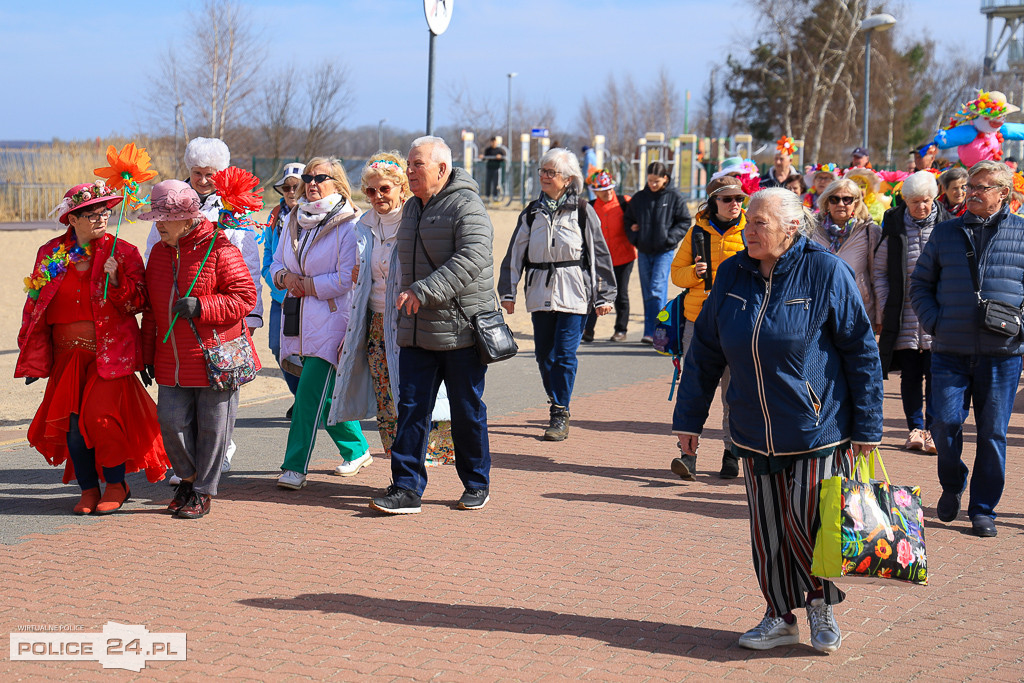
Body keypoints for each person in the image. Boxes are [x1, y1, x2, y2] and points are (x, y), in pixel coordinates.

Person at [674, 187, 883, 654]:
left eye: (759, 224)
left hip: (815, 428)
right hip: (751, 431)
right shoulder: (732, 273)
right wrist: (689, 419)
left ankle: (819, 605)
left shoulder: (826, 271)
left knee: (808, 523)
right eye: (747, 223)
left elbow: (861, 352)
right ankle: (778, 615)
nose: (748, 231)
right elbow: (705, 349)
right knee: (767, 531)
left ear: (792, 228)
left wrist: (868, 427)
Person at [17, 182, 168, 515]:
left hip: (110, 354)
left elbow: (141, 303)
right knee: (72, 428)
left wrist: (118, 282)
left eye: (105, 212)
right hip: (66, 357)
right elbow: (36, 303)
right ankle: (88, 489)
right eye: (92, 213)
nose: (102, 218)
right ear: (73, 218)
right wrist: (32, 354)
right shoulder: (54, 253)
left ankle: (116, 485)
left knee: (100, 419)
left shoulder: (122, 252)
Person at [369, 136, 496, 515]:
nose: (409, 170)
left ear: (442, 168)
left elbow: (473, 257)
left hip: (461, 330)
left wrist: (423, 291)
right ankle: (406, 488)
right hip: (416, 329)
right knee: (410, 409)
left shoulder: (467, 204)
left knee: (466, 409)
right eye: (409, 163)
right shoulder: (410, 209)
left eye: (417, 164)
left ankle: (476, 483)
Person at [910, 160, 1024, 538]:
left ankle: (983, 509)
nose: (972, 192)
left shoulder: (1022, 233)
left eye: (982, 187)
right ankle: (953, 479)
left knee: (992, 434)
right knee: (943, 425)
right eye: (971, 185)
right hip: (949, 350)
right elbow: (920, 285)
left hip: (1002, 354)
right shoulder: (946, 233)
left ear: (1004, 193)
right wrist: (936, 323)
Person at [141, 180, 259, 519]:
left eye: (164, 217)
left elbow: (244, 299)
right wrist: (147, 353)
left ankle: (203, 491)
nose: (158, 224)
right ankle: (188, 480)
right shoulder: (158, 255)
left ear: (187, 217)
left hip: (214, 359)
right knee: (171, 423)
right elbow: (151, 310)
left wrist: (202, 306)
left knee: (212, 427)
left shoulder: (220, 248)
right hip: (170, 360)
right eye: (156, 216)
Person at [329, 151, 455, 467]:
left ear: (401, 188)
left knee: (416, 393)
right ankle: (400, 464)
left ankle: (425, 458)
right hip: (374, 323)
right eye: (371, 191)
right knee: (386, 398)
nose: (378, 197)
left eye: (385, 189)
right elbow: (356, 277)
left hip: (411, 321)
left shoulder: (417, 221)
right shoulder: (363, 226)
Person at [498, 149, 616, 441]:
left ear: (567, 179)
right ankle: (557, 399)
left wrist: (604, 295)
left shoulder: (583, 211)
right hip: (540, 291)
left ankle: (560, 411)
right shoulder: (531, 212)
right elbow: (515, 253)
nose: (544, 176)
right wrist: (508, 291)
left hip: (575, 293)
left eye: (551, 172)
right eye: (542, 171)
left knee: (565, 354)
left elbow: (599, 254)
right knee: (543, 356)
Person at [271, 157, 370, 489]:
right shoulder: (294, 219)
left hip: (333, 321)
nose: (311, 183)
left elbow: (345, 279)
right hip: (297, 318)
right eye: (308, 178)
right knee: (323, 395)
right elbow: (275, 262)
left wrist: (306, 284)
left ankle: (294, 467)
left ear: (337, 182)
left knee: (308, 395)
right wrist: (285, 277)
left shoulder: (348, 223)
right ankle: (357, 448)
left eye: (320, 178)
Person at [668, 176, 748, 480]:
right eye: (727, 199)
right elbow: (676, 275)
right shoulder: (696, 232)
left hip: (738, 322)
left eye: (739, 198)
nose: (735, 204)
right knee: (693, 389)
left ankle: (732, 452)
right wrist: (695, 272)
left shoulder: (751, 229)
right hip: (698, 320)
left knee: (734, 392)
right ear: (713, 201)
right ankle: (688, 454)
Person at [875, 172, 951, 456]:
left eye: (926, 201)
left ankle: (932, 429)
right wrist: (886, 304)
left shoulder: (947, 226)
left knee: (936, 374)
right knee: (909, 375)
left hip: (938, 313)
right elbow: (880, 271)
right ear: (905, 200)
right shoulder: (894, 227)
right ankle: (915, 428)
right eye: (915, 202)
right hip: (904, 313)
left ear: (934, 198)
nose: (921, 207)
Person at [622, 161, 692, 344]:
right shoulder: (639, 198)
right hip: (644, 251)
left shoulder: (674, 197)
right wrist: (635, 237)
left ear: (665, 179)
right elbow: (628, 221)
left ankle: (660, 331)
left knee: (656, 289)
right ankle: (650, 332)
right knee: (648, 292)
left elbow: (684, 221)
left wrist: (669, 238)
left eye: (657, 181)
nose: (653, 184)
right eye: (650, 180)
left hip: (664, 251)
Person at [262, 162, 304, 411]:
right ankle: (301, 397)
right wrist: (275, 277)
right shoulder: (274, 217)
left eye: (295, 186)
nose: (290, 191)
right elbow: (267, 254)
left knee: (309, 351)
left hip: (308, 295)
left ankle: (309, 401)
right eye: (286, 187)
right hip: (280, 296)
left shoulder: (314, 216)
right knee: (278, 348)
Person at [811, 179, 881, 324]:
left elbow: (878, 276)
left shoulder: (869, 231)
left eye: (847, 199)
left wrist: (879, 316)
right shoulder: (811, 230)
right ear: (826, 203)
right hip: (818, 308)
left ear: (856, 202)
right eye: (834, 199)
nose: (841, 204)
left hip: (857, 308)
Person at [582, 170, 635, 342]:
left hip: (624, 257)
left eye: (610, 188)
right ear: (595, 191)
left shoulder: (625, 202)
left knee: (621, 294)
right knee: (593, 293)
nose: (608, 192)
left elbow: (642, 215)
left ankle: (621, 330)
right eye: (604, 189)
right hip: (599, 259)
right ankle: (588, 330)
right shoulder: (589, 207)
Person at [480, 137, 504, 201]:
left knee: (495, 183)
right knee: (488, 183)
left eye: (494, 142)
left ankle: (495, 196)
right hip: (489, 168)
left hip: (496, 169)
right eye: (492, 142)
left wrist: (500, 157)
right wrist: (482, 157)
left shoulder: (499, 150)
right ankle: (487, 196)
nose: (493, 143)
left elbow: (503, 158)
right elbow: (484, 158)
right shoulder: (488, 150)